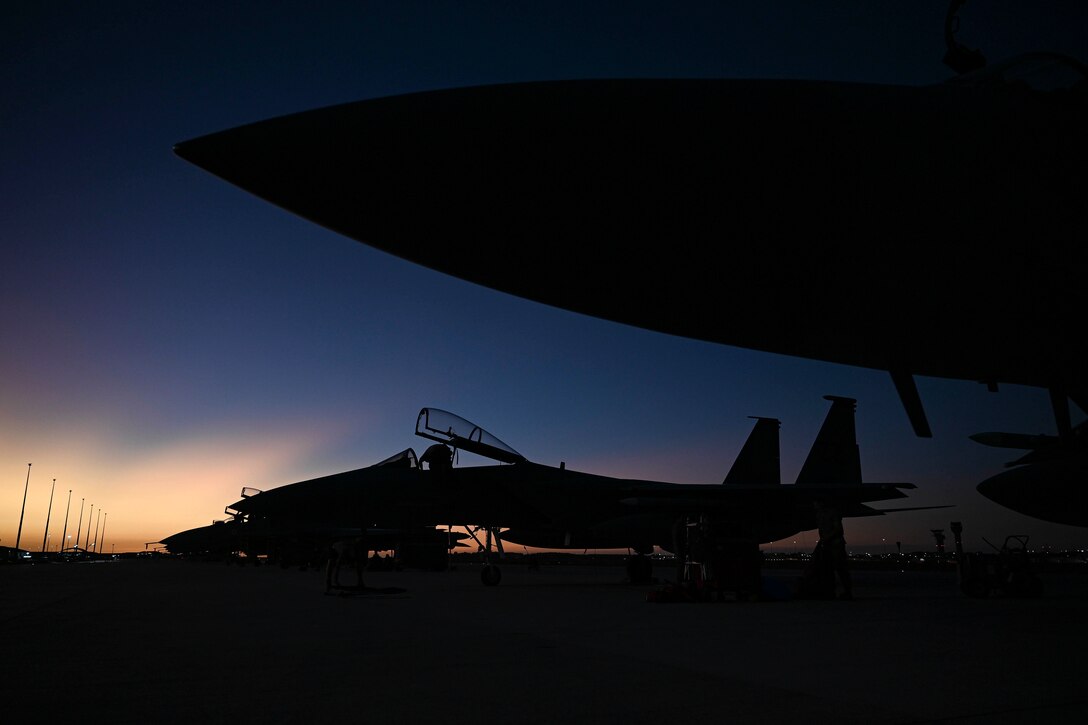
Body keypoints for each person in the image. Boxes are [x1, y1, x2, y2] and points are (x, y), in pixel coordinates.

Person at [813, 501, 852, 600]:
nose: (814, 505)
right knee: (828, 570)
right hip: (827, 545)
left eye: (816, 502)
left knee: (841, 568)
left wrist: (826, 538)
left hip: (836, 545)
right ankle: (830, 592)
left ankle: (847, 592)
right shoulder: (819, 514)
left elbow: (839, 529)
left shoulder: (832, 513)